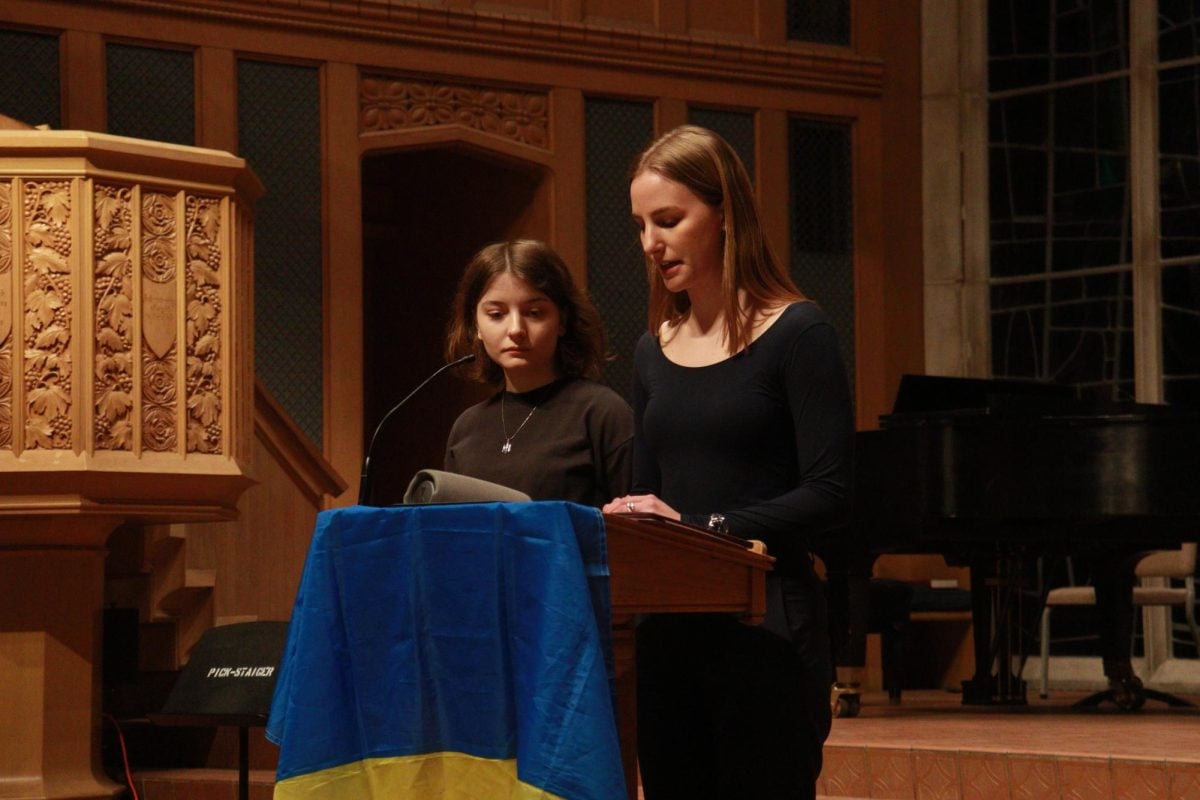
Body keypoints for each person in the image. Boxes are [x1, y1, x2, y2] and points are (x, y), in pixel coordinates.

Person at [603, 125, 853, 799]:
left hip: (767, 627)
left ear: (725, 217)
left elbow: (831, 493)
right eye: (641, 225)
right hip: (669, 639)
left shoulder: (800, 333)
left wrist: (701, 526)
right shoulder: (654, 352)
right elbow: (646, 497)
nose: (651, 243)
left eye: (669, 220)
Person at [444, 239, 633, 507]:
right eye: (497, 314)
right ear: (476, 326)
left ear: (562, 320)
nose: (516, 329)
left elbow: (640, 532)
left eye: (534, 313)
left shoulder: (602, 413)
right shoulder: (465, 428)